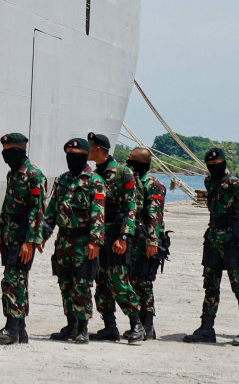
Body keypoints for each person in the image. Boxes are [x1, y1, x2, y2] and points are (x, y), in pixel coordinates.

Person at [183, 147, 239, 346]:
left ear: (224, 163)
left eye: (217, 164)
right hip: (212, 238)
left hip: (232, 239)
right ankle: (206, 328)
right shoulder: (209, 182)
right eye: (210, 166)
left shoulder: (234, 183)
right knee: (210, 285)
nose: (214, 168)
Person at [40, 137, 104, 344]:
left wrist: (94, 241)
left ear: (85, 156)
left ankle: (82, 327)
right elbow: (51, 211)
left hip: (83, 241)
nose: (71, 158)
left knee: (82, 285)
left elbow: (98, 213)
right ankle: (70, 325)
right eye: (68, 155)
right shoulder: (62, 180)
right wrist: (42, 235)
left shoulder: (95, 181)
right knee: (65, 284)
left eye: (75, 155)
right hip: (63, 240)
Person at [87, 131, 145, 343]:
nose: (87, 150)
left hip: (116, 232)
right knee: (101, 280)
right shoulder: (95, 174)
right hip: (99, 232)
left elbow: (132, 206)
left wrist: (124, 236)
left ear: (98, 150)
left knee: (119, 280)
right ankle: (109, 326)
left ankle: (136, 324)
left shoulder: (123, 172)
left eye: (90, 146)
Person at [0, 133, 46, 345]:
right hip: (10, 235)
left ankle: (12, 328)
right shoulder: (13, 174)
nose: (4, 155)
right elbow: (7, 206)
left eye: (8, 151)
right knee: (18, 281)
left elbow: (36, 211)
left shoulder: (34, 176)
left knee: (12, 280)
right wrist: (0, 233)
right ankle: (20, 330)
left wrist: (30, 242)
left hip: (24, 236)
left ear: (19, 151)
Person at [125, 147, 167, 341]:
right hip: (136, 238)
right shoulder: (135, 182)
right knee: (134, 280)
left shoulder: (153, 184)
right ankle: (140, 325)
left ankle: (148, 325)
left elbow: (154, 214)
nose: (128, 164)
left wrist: (152, 241)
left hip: (148, 240)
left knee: (144, 282)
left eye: (131, 161)